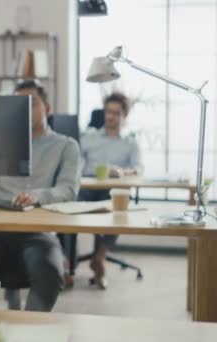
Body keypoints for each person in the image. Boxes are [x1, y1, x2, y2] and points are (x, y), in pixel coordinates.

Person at [0, 80, 82, 311]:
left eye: (32, 103)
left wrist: (37, 196)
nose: (25, 109)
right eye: (19, 105)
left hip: (37, 231)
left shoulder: (66, 146)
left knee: (49, 272)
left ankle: (30, 330)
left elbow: (68, 190)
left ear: (47, 109)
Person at [79, 92, 142, 289]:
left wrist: (122, 171)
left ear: (124, 116)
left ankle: (99, 257)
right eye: (108, 112)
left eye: (115, 112)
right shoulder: (88, 137)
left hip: (113, 188)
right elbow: (73, 162)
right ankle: (66, 266)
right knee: (68, 200)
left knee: (117, 209)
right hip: (87, 187)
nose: (110, 116)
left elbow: (138, 169)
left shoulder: (130, 143)